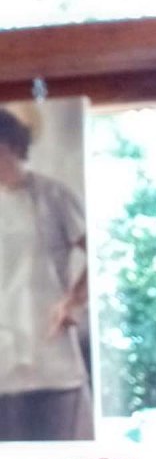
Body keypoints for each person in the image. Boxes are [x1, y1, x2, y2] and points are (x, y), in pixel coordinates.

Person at [0, 106, 93, 441]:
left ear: (9, 144)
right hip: (3, 361)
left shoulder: (54, 196)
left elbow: (98, 254)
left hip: (50, 358)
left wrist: (72, 301)